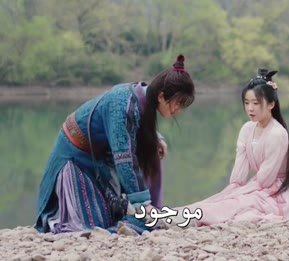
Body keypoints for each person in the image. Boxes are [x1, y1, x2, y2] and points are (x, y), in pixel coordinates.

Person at [34, 54, 195, 235]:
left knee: (123, 218)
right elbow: (125, 159)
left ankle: (146, 211)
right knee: (90, 225)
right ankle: (144, 209)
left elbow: (136, 126)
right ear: (161, 96)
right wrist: (143, 205)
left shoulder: (142, 99)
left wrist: (155, 139)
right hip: (76, 159)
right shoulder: (122, 104)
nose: (178, 110)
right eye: (178, 104)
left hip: (99, 158)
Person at [175, 68, 289, 227]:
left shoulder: (277, 134)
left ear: (271, 104)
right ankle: (173, 217)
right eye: (246, 102)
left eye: (256, 103)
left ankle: (182, 219)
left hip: (277, 193)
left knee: (237, 205)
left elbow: (265, 181)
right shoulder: (247, 129)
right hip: (258, 186)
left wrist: (240, 193)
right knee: (221, 201)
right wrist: (231, 190)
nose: (250, 108)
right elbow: (238, 177)